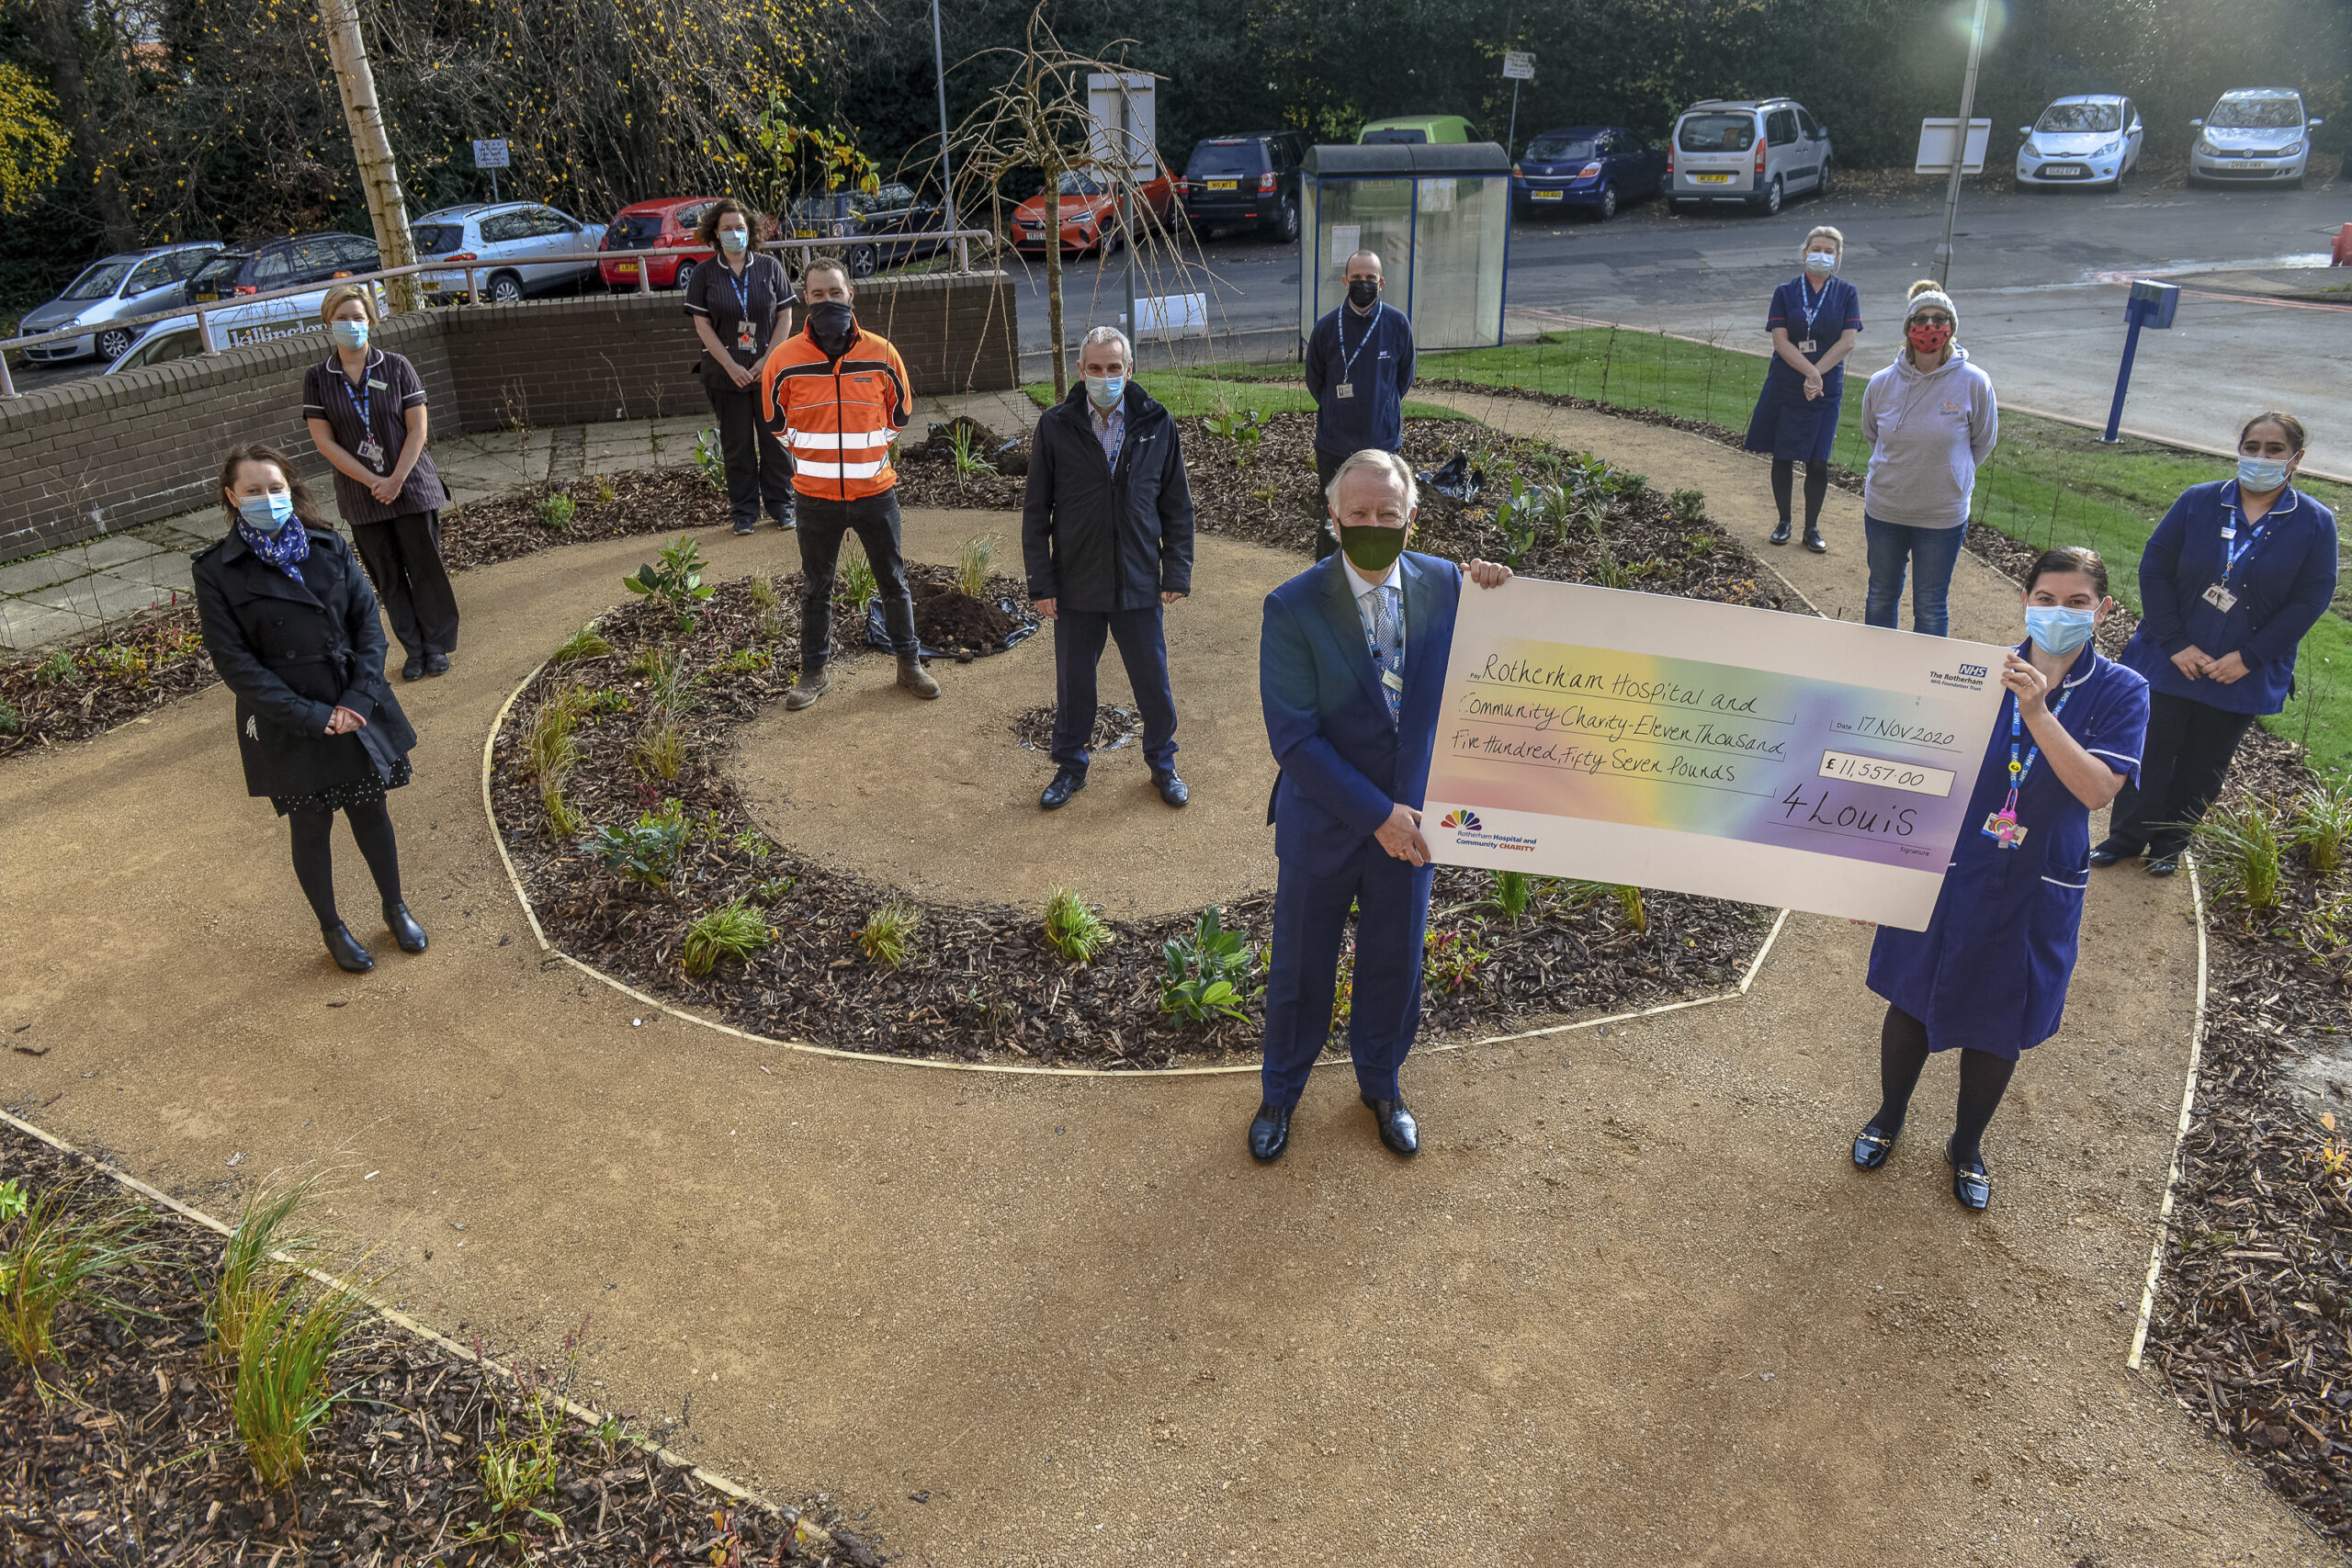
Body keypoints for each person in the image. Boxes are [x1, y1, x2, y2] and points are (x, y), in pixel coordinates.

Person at [1853, 547, 2148, 1211]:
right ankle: (1888, 1116)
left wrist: (2039, 712)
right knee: (1911, 997)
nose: (2059, 612)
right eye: (2046, 598)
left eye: (2077, 602)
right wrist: (1878, 867)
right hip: (1950, 863)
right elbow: (1911, 766)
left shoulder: (2124, 691)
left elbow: (2098, 789)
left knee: (2001, 1019)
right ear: (2025, 601)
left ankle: (1966, 1144)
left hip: (2038, 879)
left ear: (2102, 610)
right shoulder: (1970, 674)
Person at [1250, 450, 1513, 1164]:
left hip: (1417, 826)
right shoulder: (1293, 605)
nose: (1373, 524)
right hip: (1325, 822)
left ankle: (1382, 1084)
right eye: (1358, 514)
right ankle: (1281, 1091)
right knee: (1301, 968)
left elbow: (1505, 662)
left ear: (1411, 517)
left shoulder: (1447, 587)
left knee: (1395, 964)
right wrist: (1377, 815)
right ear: (1333, 519)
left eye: (1387, 514)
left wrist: (1499, 590)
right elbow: (1294, 739)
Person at [191, 445, 425, 976]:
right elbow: (235, 664)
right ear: (232, 497)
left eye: (275, 489)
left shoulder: (329, 545)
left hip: (353, 706)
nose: (267, 499)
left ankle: (396, 908)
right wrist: (309, 715)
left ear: (290, 489)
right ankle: (333, 928)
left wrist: (355, 701)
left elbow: (368, 625)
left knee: (372, 814)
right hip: (290, 721)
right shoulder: (216, 572)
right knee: (311, 826)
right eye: (253, 490)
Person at [2098, 412, 2338, 875]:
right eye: (2251, 447)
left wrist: (2248, 658)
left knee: (2204, 763)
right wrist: (2175, 644)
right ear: (2239, 450)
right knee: (2148, 749)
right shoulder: (2199, 501)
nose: (2260, 457)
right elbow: (2155, 570)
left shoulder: (2314, 522)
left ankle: (2171, 843)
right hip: (2171, 658)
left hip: (2241, 672)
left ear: (2296, 458)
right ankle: (2125, 837)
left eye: (2273, 449)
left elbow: (2311, 600)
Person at [1022, 326, 1196, 811]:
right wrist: (1042, 581)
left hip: (1139, 579)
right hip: (1076, 582)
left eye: (1113, 368)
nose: (1105, 377)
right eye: (1095, 369)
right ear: (1081, 372)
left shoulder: (1157, 422)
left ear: (1129, 369)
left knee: (1153, 683)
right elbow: (1037, 512)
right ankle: (1071, 767)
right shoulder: (1056, 426)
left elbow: (1177, 505)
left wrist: (1176, 571)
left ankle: (1163, 763)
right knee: (1075, 683)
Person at [756, 255, 937, 708]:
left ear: (850, 294)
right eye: (818, 294)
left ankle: (908, 664)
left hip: (876, 492)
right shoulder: (783, 360)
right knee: (817, 587)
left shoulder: (881, 352)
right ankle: (814, 673)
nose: (827, 301)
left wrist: (870, 452)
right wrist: (810, 454)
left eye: (835, 292)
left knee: (893, 580)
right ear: (805, 299)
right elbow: (775, 420)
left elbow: (901, 411)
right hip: (815, 498)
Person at [302, 285, 458, 682]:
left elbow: (417, 429)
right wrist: (374, 481)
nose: (350, 325)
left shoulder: (397, 366)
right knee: (387, 577)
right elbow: (324, 442)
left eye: (357, 317)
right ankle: (414, 650)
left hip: (411, 486)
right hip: (363, 495)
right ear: (327, 322)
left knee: (425, 568)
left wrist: (396, 479)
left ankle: (436, 645)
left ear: (371, 321)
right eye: (341, 318)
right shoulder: (319, 378)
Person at [1857, 280, 1997, 637]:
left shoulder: (1974, 382)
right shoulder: (1881, 383)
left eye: (1939, 318)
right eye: (1921, 318)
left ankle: (1923, 687)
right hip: (1886, 509)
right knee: (1880, 595)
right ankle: (1876, 672)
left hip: (1942, 515)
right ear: (1908, 327)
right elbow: (1874, 436)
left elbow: (1982, 441)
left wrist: (1951, 474)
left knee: (1931, 605)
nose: (1930, 327)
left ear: (1951, 327)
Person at [1745, 226, 1860, 554]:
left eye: (1829, 251)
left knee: (1818, 460)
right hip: (1787, 382)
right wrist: (1810, 372)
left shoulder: (1846, 292)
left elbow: (1848, 340)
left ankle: (1811, 528)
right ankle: (1784, 522)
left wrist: (1818, 375)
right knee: (1782, 454)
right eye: (1816, 248)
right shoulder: (1785, 291)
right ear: (1805, 251)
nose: (1822, 255)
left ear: (1837, 257)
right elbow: (1780, 340)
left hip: (1825, 389)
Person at [684, 198, 797, 536]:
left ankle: (782, 506)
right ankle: (744, 513)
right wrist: (732, 366)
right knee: (737, 447)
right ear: (715, 234)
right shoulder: (703, 274)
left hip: (767, 374)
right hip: (724, 375)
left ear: (750, 231)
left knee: (775, 442)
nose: (734, 234)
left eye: (740, 228)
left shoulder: (770, 267)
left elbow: (785, 317)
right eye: (727, 229)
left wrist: (767, 361)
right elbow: (703, 327)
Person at [1303, 251, 1416, 560]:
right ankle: (1325, 583)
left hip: (1383, 446)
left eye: (1369, 279)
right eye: (1356, 279)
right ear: (1345, 281)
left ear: (1381, 283)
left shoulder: (1397, 324)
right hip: (1335, 446)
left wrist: (1383, 406)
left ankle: (1377, 575)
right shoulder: (1327, 328)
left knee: (1382, 519)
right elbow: (1316, 381)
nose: (1362, 284)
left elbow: (1403, 377)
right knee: (1334, 521)